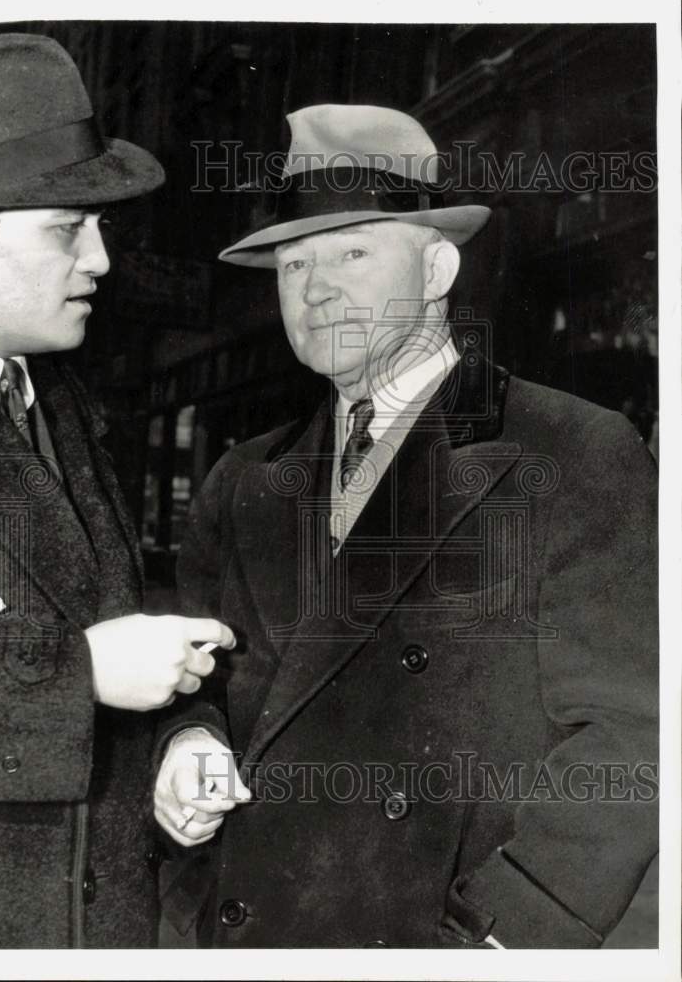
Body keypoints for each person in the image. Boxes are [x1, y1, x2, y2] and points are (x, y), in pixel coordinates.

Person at [153, 104, 659, 948]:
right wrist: (186, 741)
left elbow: (636, 729)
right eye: (292, 262)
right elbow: (197, 686)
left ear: (435, 270)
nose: (314, 289)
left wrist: (507, 932)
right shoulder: (240, 480)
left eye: (352, 252)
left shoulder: (568, 449)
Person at [0, 32, 235, 949]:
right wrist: (81, 678)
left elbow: (112, 622)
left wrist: (186, 735)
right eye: (70, 229)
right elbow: (90, 660)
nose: (101, 261)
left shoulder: (52, 402)